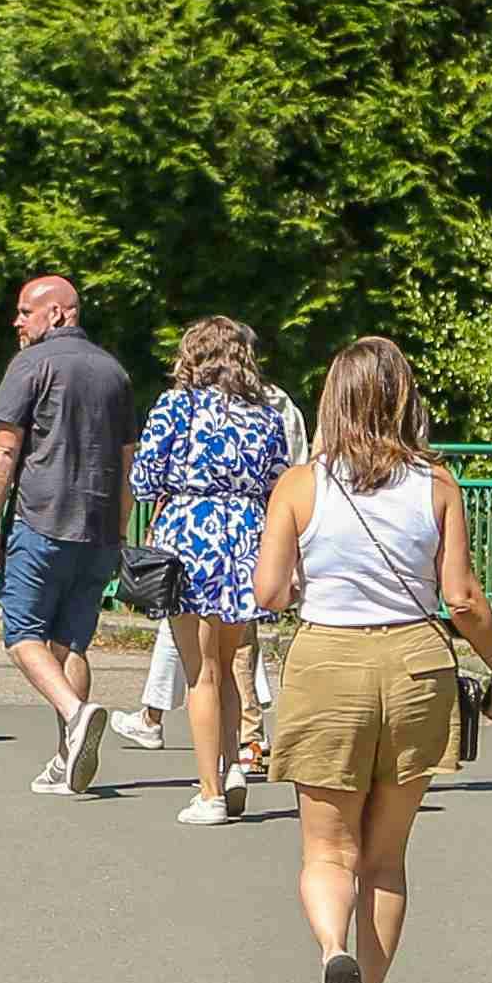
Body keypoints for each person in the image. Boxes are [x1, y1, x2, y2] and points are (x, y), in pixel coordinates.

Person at [254, 336, 492, 983]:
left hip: (326, 664)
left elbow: (270, 593)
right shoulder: (436, 483)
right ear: (405, 399)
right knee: (384, 858)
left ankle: (332, 950)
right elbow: (461, 598)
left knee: (326, 849)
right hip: (415, 666)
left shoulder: (298, 486)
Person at [0, 270, 139, 796]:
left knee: (22, 634)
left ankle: (75, 712)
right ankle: (68, 761)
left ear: (58, 313)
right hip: (98, 530)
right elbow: (127, 461)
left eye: (26, 312)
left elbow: (5, 448)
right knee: (71, 643)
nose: (17, 322)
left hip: (42, 520)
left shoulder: (31, 364)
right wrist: (120, 531)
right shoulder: (114, 372)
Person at [130, 318, 301, 824]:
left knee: (198, 670)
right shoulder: (265, 413)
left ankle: (210, 793)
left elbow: (143, 478)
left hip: (191, 533)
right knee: (228, 665)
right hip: (247, 535)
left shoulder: (176, 406)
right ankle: (232, 768)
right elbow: (279, 479)